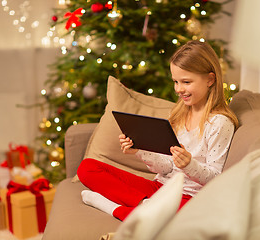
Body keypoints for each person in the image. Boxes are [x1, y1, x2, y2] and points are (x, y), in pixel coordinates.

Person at [77, 40, 239, 221]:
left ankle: (115, 207)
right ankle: (147, 207)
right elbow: (167, 167)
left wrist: (189, 165)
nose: (179, 89)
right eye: (175, 82)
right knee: (88, 167)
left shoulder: (219, 123)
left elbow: (216, 179)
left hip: (191, 197)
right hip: (161, 186)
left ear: (210, 79)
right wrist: (140, 151)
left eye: (186, 82)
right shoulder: (180, 114)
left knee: (184, 216)